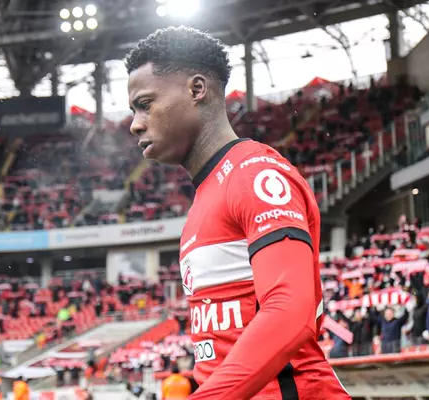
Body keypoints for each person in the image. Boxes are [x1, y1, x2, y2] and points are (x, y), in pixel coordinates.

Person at [126, 26, 350, 399]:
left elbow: (290, 312)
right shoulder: (204, 199)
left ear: (197, 89)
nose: (135, 123)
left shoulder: (255, 174)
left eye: (145, 104)